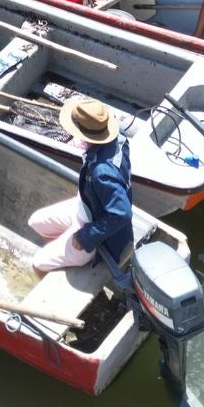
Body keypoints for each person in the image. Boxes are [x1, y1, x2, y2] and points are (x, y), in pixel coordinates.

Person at [29, 97, 133, 274]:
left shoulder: (103, 173)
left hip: (94, 227)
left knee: (37, 264)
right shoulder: (119, 138)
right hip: (85, 207)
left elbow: (122, 214)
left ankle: (76, 256)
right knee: (36, 222)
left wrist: (86, 236)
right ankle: (64, 250)